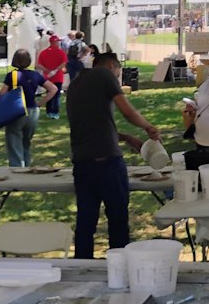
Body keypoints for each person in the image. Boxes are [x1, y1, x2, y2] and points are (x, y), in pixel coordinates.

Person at [67, 51, 161, 258]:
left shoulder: (76, 83)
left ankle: (83, 267)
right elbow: (127, 111)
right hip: (107, 163)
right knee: (118, 220)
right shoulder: (104, 75)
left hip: (82, 163)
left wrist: (126, 137)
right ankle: (119, 264)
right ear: (111, 66)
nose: (118, 79)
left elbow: (92, 124)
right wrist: (148, 127)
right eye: (118, 74)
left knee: (86, 222)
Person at [0, 48, 58, 167]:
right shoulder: (35, 75)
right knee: (26, 142)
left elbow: (2, 94)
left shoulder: (12, 75)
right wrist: (40, 103)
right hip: (32, 111)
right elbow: (53, 89)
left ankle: (17, 170)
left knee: (14, 141)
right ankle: (27, 167)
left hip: (17, 111)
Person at [36, 34, 67, 119]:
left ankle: (49, 111)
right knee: (56, 95)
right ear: (54, 42)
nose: (58, 43)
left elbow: (39, 64)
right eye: (57, 42)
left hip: (47, 77)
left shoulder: (44, 52)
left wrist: (47, 70)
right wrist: (56, 70)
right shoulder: (61, 52)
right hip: (58, 77)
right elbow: (64, 63)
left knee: (49, 93)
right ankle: (55, 112)